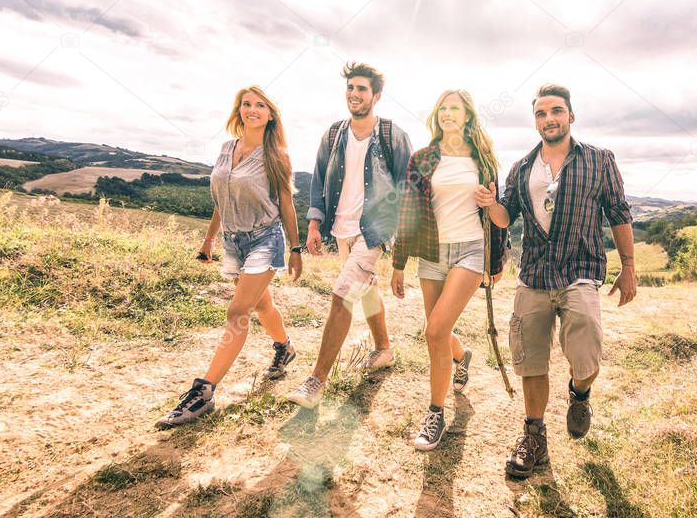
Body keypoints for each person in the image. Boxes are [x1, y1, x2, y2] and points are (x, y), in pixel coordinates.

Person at [486, 83, 637, 477]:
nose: (548, 119)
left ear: (571, 116)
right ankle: (534, 438)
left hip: (580, 272)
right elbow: (507, 217)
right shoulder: (522, 167)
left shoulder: (599, 160)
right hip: (534, 273)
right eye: (540, 113)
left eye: (556, 111)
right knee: (530, 359)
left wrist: (629, 265)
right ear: (534, 120)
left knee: (586, 351)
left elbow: (619, 213)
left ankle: (580, 392)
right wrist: (490, 207)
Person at [156, 86, 304, 428]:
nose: (252, 109)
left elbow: (286, 205)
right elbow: (222, 198)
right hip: (233, 240)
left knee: (237, 311)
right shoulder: (227, 149)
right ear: (239, 111)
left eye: (260, 105)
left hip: (265, 239)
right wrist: (209, 240)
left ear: (270, 115)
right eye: (246, 104)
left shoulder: (276, 156)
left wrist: (295, 250)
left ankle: (203, 392)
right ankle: (285, 347)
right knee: (261, 306)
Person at [286, 62, 412, 409]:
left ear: (376, 96)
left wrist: (401, 236)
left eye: (362, 89)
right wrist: (314, 223)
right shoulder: (333, 134)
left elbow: (407, 187)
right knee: (366, 289)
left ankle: (316, 382)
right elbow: (318, 178)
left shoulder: (392, 136)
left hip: (375, 229)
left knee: (342, 295)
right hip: (341, 227)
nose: (354, 94)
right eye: (351, 88)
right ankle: (384, 349)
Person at [390, 89, 509, 451]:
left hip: (469, 252)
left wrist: (495, 261)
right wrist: (398, 264)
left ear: (468, 116)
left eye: (454, 109)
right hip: (431, 253)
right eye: (442, 109)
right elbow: (408, 211)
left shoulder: (483, 159)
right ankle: (462, 356)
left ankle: (435, 413)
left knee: (434, 330)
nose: (447, 114)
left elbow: (496, 217)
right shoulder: (423, 159)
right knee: (438, 333)